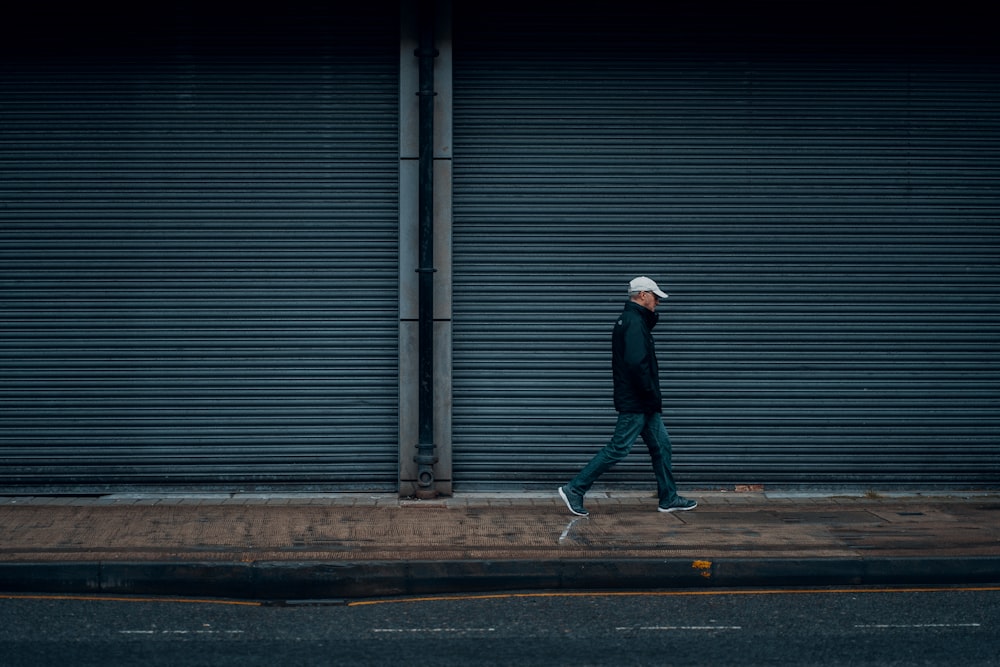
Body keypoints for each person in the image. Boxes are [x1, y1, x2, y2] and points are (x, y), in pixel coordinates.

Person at [558, 276, 697, 517]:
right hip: (638, 401)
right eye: (655, 297)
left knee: (662, 446)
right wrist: (648, 393)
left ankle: (668, 497)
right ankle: (575, 488)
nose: (658, 302)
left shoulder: (635, 320)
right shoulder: (633, 322)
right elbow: (635, 363)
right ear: (642, 295)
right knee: (619, 448)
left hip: (644, 401)